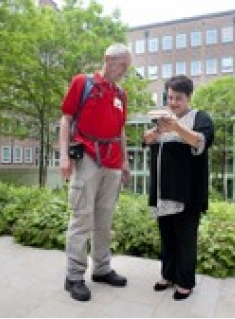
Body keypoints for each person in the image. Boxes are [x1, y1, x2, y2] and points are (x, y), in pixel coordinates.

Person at [59, 43, 132, 302]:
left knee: (105, 219)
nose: (125, 70)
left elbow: (121, 130)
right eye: (122, 64)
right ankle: (74, 277)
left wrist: (124, 161)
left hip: (112, 162)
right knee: (81, 218)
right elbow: (67, 119)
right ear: (107, 59)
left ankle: (101, 269)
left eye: (128, 66)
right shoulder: (83, 83)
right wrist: (64, 155)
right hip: (88, 157)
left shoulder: (121, 94)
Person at [143, 75, 214, 301]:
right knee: (167, 236)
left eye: (178, 98)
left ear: (188, 97)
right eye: (170, 97)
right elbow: (148, 142)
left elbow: (201, 142)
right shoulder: (162, 120)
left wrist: (176, 128)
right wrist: (154, 134)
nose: (173, 102)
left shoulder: (199, 117)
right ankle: (168, 275)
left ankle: (185, 282)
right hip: (163, 192)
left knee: (185, 238)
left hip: (187, 193)